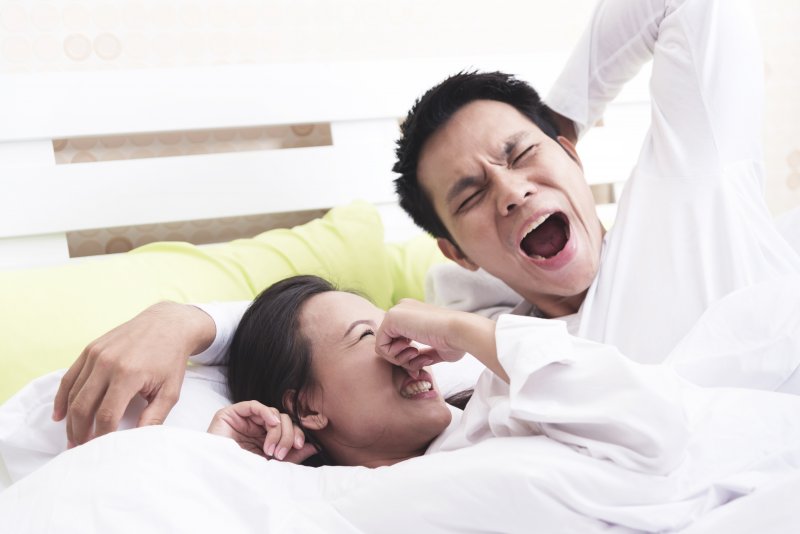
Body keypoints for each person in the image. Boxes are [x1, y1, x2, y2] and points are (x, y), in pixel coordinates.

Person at [53, 0, 800, 446]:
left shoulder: (689, 191)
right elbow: (324, 337)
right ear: (455, 250)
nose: (509, 192)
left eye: (521, 155)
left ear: (572, 154)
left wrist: (562, 117)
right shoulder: (467, 353)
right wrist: (183, 320)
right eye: (472, 196)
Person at [206, 274, 800, 531]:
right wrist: (230, 463)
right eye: (369, 338)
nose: (407, 348)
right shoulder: (362, 503)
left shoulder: (501, 387)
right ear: (306, 407)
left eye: (396, 327)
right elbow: (651, 433)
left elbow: (658, 419)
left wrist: (461, 330)